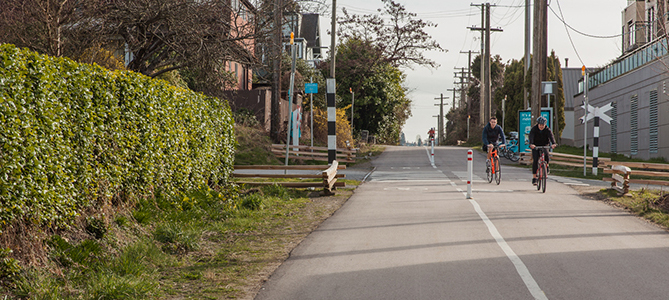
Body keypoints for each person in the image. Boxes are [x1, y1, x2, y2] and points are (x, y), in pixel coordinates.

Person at [529, 116, 557, 185]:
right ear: (538, 124)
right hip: (536, 145)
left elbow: (551, 136)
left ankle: (546, 166)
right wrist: (531, 144)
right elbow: (531, 136)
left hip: (544, 144)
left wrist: (553, 143)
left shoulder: (547, 130)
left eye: (543, 125)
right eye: (540, 125)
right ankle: (534, 178)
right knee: (535, 160)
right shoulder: (534, 129)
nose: (541, 126)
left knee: (547, 155)